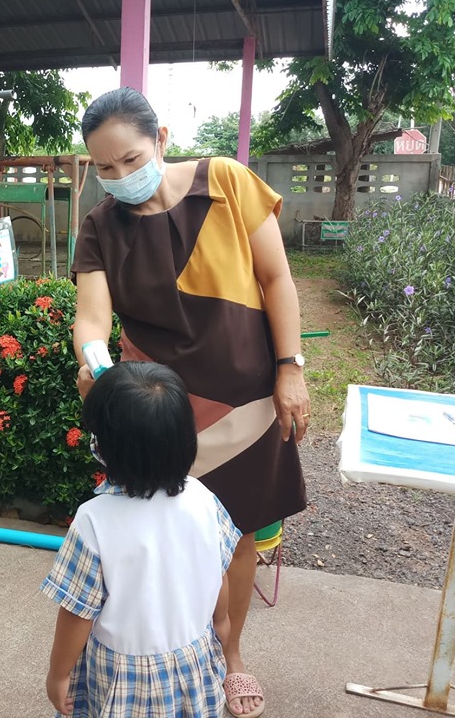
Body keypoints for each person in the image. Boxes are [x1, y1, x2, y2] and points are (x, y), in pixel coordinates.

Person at [72, 87, 309, 718]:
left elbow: (276, 278)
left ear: (161, 140)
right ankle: (166, 648)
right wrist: (95, 363)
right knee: (157, 536)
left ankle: (231, 657)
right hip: (159, 414)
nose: (120, 175)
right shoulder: (100, 227)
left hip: (247, 400)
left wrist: (290, 367)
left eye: (131, 158)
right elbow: (91, 319)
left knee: (238, 535)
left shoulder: (226, 181)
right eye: (104, 167)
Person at [41, 361, 241, 717]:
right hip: (193, 657)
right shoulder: (204, 499)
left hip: (121, 675)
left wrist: (59, 673)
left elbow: (77, 614)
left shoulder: (93, 520)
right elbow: (219, 572)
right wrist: (221, 622)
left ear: (108, 448)